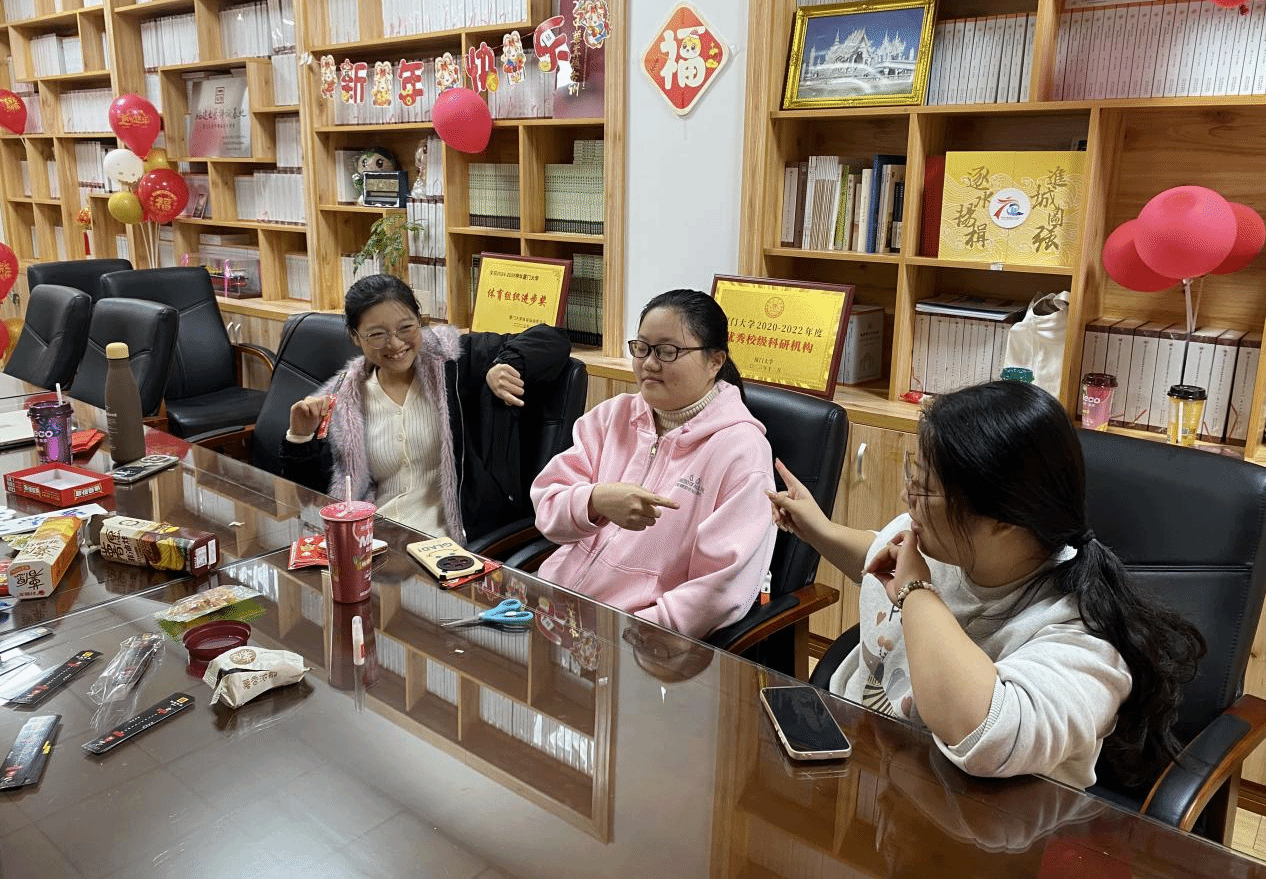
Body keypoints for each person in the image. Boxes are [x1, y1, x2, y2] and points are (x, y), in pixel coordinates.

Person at [768, 380, 1204, 790]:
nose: (907, 498)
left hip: (982, 823)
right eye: (913, 476)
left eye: (925, 489)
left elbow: (987, 736)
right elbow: (882, 558)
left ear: (1002, 520)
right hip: (871, 770)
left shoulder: (1085, 636)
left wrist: (916, 593)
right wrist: (818, 529)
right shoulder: (942, 547)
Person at [531, 289, 776, 638]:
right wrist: (595, 500)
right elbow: (547, 507)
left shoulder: (741, 451)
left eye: (667, 351)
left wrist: (638, 634)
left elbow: (719, 588)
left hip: (637, 637)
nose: (648, 363)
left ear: (715, 361)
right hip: (556, 609)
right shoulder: (613, 416)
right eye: (642, 348)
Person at [281, 274, 571, 543]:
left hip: (449, 546)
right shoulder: (344, 399)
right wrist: (300, 437)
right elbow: (312, 500)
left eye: (406, 327)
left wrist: (504, 364)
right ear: (355, 337)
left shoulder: (455, 362)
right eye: (377, 334)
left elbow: (553, 339)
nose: (395, 343)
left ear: (420, 320)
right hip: (373, 543)